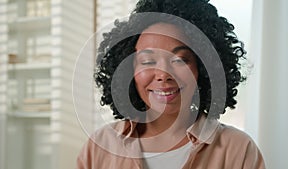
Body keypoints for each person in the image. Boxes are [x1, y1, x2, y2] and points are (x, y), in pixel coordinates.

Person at [77, 0, 265, 168]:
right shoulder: (99, 146)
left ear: (203, 68)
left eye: (180, 60)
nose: (163, 75)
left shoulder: (238, 149)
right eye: (148, 61)